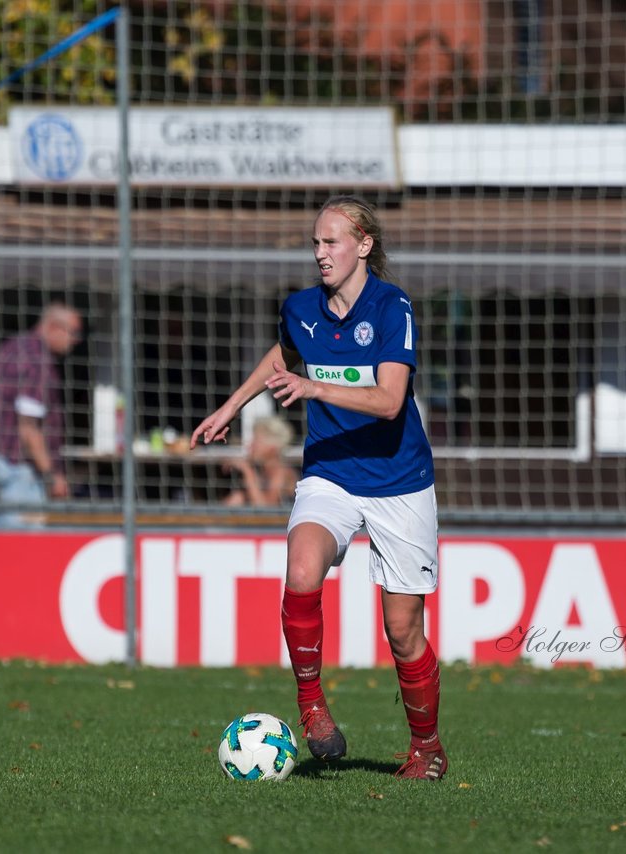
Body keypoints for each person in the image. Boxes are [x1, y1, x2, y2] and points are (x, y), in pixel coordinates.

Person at [190, 196, 445, 781]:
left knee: (403, 630)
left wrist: (315, 389)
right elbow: (285, 353)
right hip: (330, 470)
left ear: (364, 245)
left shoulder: (392, 307)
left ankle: (427, 749)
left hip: (398, 481)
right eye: (315, 243)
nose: (320, 253)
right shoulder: (302, 307)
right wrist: (231, 405)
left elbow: (387, 401)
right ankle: (311, 707)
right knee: (302, 570)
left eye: (331, 242)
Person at [0, 303, 83, 518]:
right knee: (22, 540)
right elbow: (28, 427)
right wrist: (52, 475)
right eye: (73, 333)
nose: (76, 341)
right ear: (53, 327)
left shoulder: (13, 347)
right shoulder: (36, 360)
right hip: (17, 466)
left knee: (4, 533)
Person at [220, 415, 298, 507]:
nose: (250, 446)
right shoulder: (261, 470)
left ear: (272, 447)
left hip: (279, 520)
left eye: (256, 441)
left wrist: (247, 471)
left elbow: (267, 510)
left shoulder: (281, 472)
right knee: (238, 497)